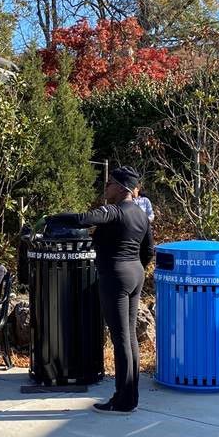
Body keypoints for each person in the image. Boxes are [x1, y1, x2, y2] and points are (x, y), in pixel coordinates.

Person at [47, 165, 152, 415]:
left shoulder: (115, 211)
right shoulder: (141, 215)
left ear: (121, 188)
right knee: (130, 340)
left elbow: (83, 219)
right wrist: (136, 269)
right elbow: (148, 250)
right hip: (135, 274)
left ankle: (122, 400)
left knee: (121, 339)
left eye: (109, 183)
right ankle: (131, 397)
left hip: (115, 276)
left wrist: (52, 218)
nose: (106, 187)